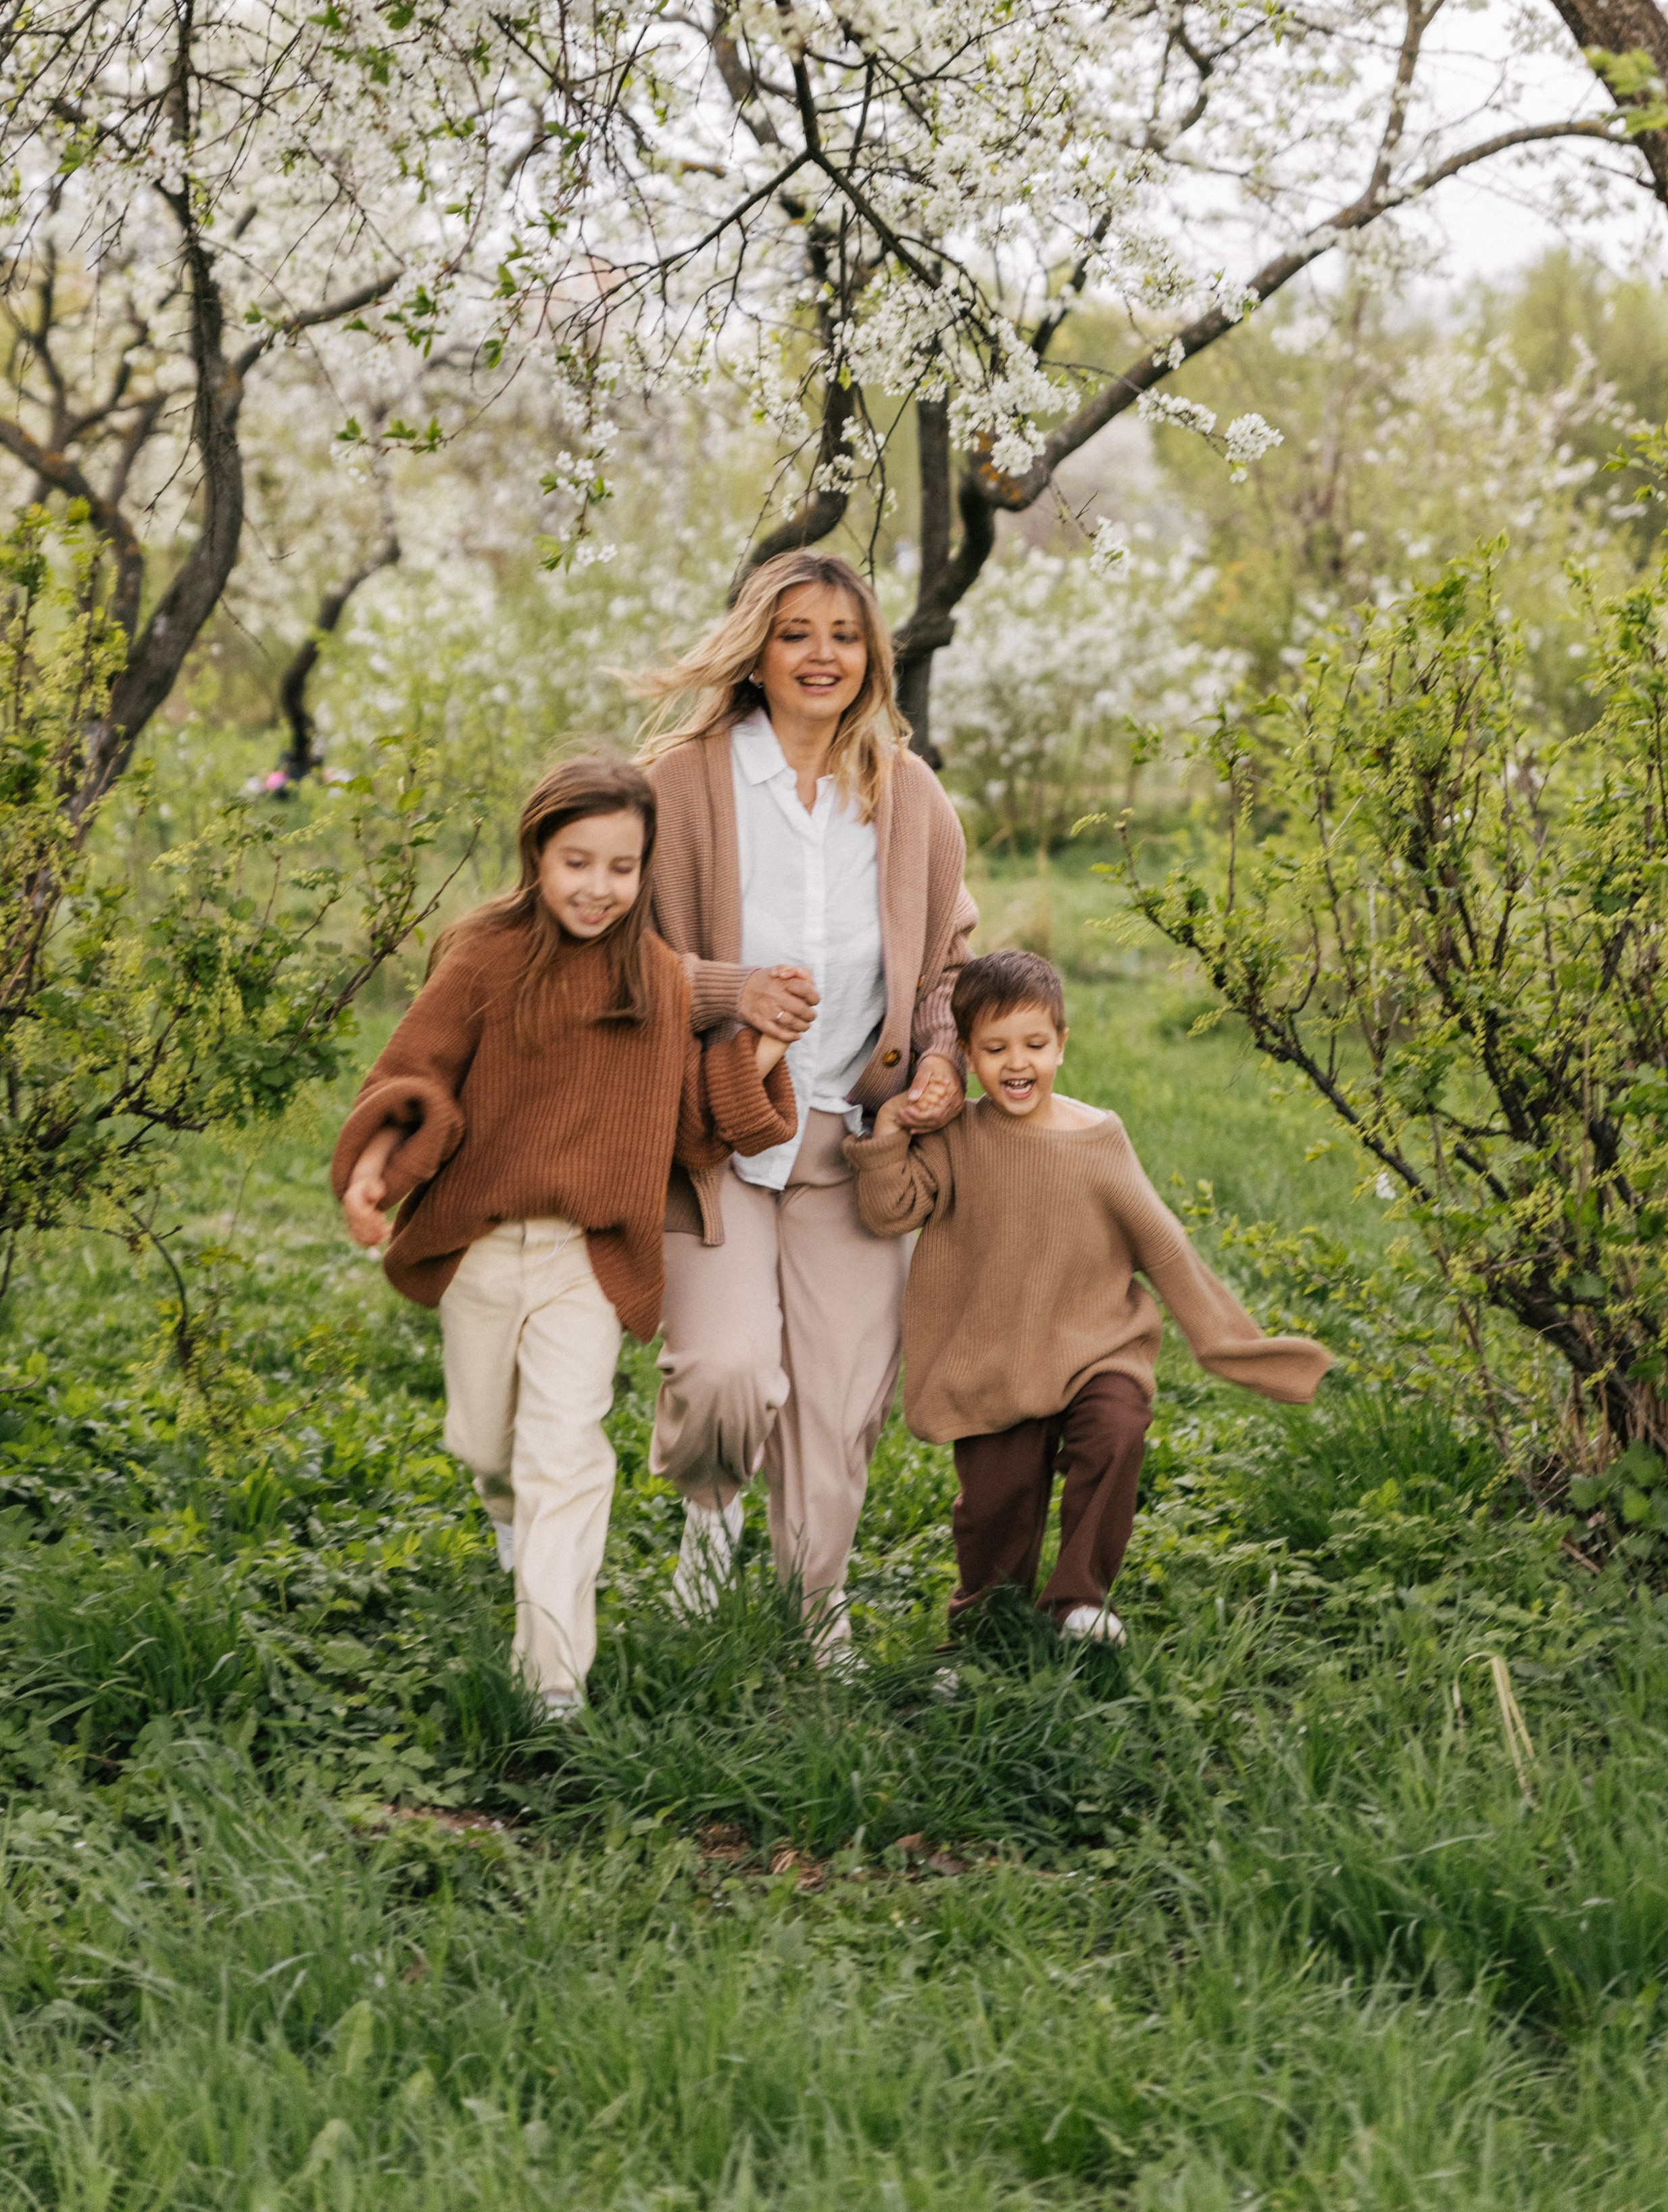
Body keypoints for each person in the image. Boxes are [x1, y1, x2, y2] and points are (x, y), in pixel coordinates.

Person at [331, 758, 796, 1716]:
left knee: (564, 1453)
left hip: (591, 1254)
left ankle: (552, 1684)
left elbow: (695, 1124)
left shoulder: (659, 981)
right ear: (538, 854)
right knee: (486, 1444)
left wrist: (761, 1056)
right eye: (577, 861)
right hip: (480, 1241)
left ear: (645, 870)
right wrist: (378, 1165)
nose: (599, 887)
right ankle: (507, 1521)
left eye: (622, 868)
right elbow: (417, 1072)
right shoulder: (484, 956)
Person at [636, 548, 975, 1656]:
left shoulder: (910, 796)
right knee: (730, 1376)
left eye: (842, 634)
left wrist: (939, 1058)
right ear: (757, 651)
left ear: (872, 653)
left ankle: (811, 1610)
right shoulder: (684, 782)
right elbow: (609, 963)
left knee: (838, 1413)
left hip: (853, 1146)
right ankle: (708, 1520)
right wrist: (733, 992)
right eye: (796, 633)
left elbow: (944, 970)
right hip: (718, 1134)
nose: (821, 655)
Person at [845, 948, 1332, 1641]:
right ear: (967, 1058)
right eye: (995, 1048)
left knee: (1116, 1430)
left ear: (1062, 1046)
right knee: (995, 1506)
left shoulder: (1097, 1139)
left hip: (1095, 1346)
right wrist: (888, 1136)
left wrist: (1229, 1343)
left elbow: (1163, 1246)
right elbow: (892, 1211)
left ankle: (1076, 1600)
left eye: (1035, 1045)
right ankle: (986, 1625)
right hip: (995, 1358)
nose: (1018, 1063)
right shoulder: (958, 1137)